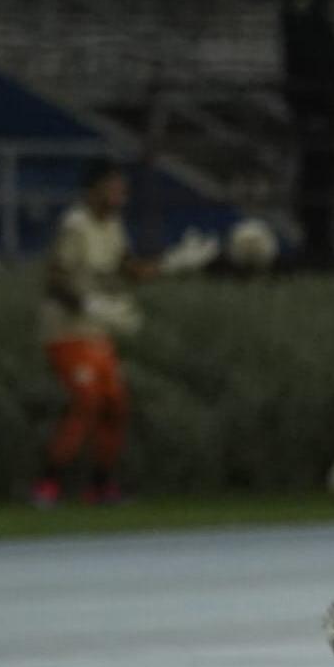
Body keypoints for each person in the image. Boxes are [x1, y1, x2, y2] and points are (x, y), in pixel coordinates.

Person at [34, 160, 217, 508]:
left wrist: (173, 262)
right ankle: (48, 483)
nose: (120, 194)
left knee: (115, 405)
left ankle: (100, 486)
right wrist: (88, 305)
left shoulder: (113, 226)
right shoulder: (76, 226)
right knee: (87, 401)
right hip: (67, 329)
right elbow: (55, 279)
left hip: (97, 330)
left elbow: (127, 269)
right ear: (93, 190)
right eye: (113, 187)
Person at [280, 0, 334, 267]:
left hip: (319, 110)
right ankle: (317, 246)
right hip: (316, 109)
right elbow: (324, 67)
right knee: (317, 179)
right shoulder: (307, 26)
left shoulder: (306, 22)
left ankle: (319, 244)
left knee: (323, 178)